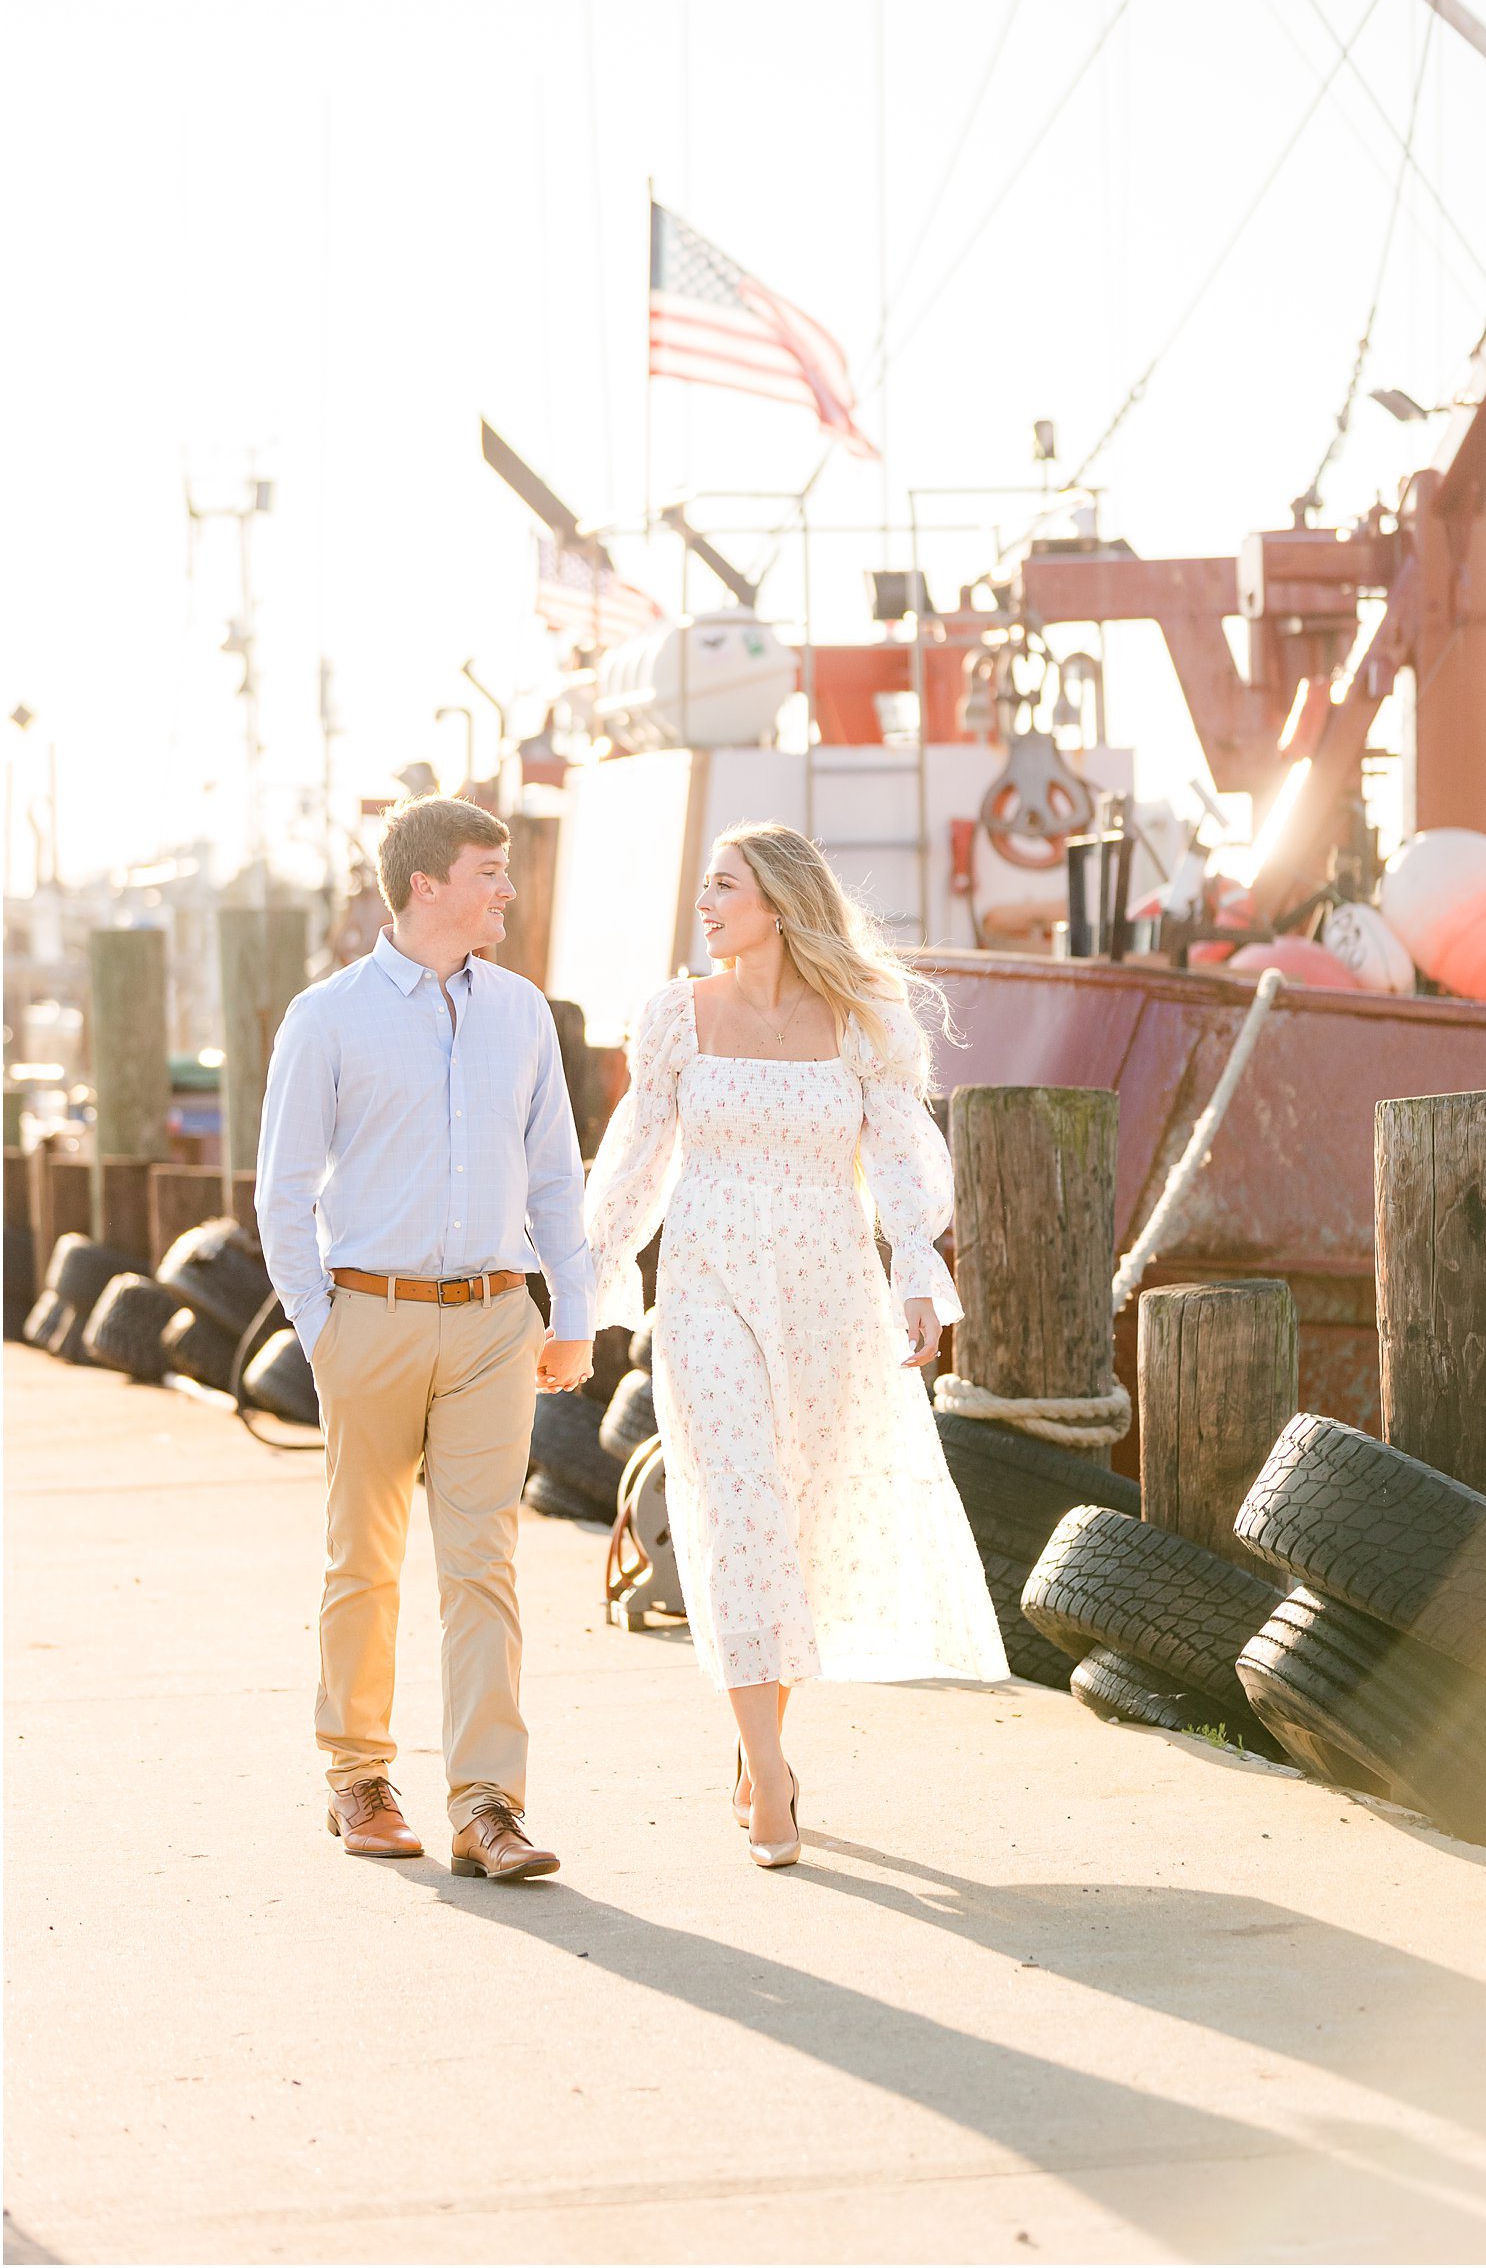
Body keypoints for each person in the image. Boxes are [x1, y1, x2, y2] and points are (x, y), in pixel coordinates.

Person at [586, 823, 1008, 1869]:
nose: (705, 901)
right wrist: (584, 1291)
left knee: (802, 1519)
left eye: (722, 885)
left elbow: (905, 1159)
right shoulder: (673, 1018)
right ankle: (766, 1767)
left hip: (829, 1290)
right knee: (736, 1511)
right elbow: (636, 1160)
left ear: (776, 902)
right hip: (707, 1285)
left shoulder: (862, 1021)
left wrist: (917, 1275)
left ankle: (757, 1738)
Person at [256, 792, 594, 1881]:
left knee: (483, 1565)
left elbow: (553, 1175)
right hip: (371, 1318)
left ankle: (487, 1806)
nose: (506, 888)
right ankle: (358, 1776)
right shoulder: (329, 1015)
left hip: (498, 1320)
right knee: (363, 1560)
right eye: (488, 870)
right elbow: (282, 1192)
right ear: (425, 886)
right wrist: (324, 1326)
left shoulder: (521, 1011)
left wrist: (572, 1315)